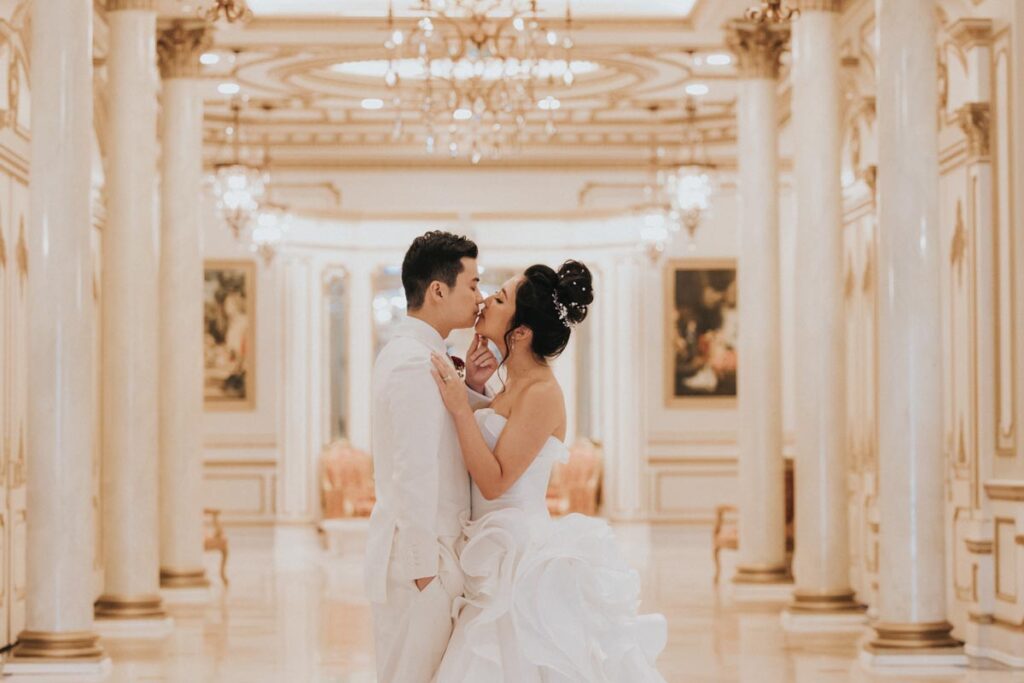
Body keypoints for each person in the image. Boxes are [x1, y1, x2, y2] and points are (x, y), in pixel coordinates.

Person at [430, 260, 667, 681]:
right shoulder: (513, 384)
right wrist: (475, 390)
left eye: (499, 298)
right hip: (489, 543)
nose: (485, 300)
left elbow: (495, 479)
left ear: (520, 333)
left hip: (518, 557)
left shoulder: (542, 392)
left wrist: (459, 407)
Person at [364, 231, 498, 683]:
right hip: (421, 566)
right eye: (473, 284)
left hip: (438, 561)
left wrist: (474, 388)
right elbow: (412, 471)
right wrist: (425, 574)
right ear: (438, 290)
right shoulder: (409, 362)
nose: (480, 297)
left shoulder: (427, 354)